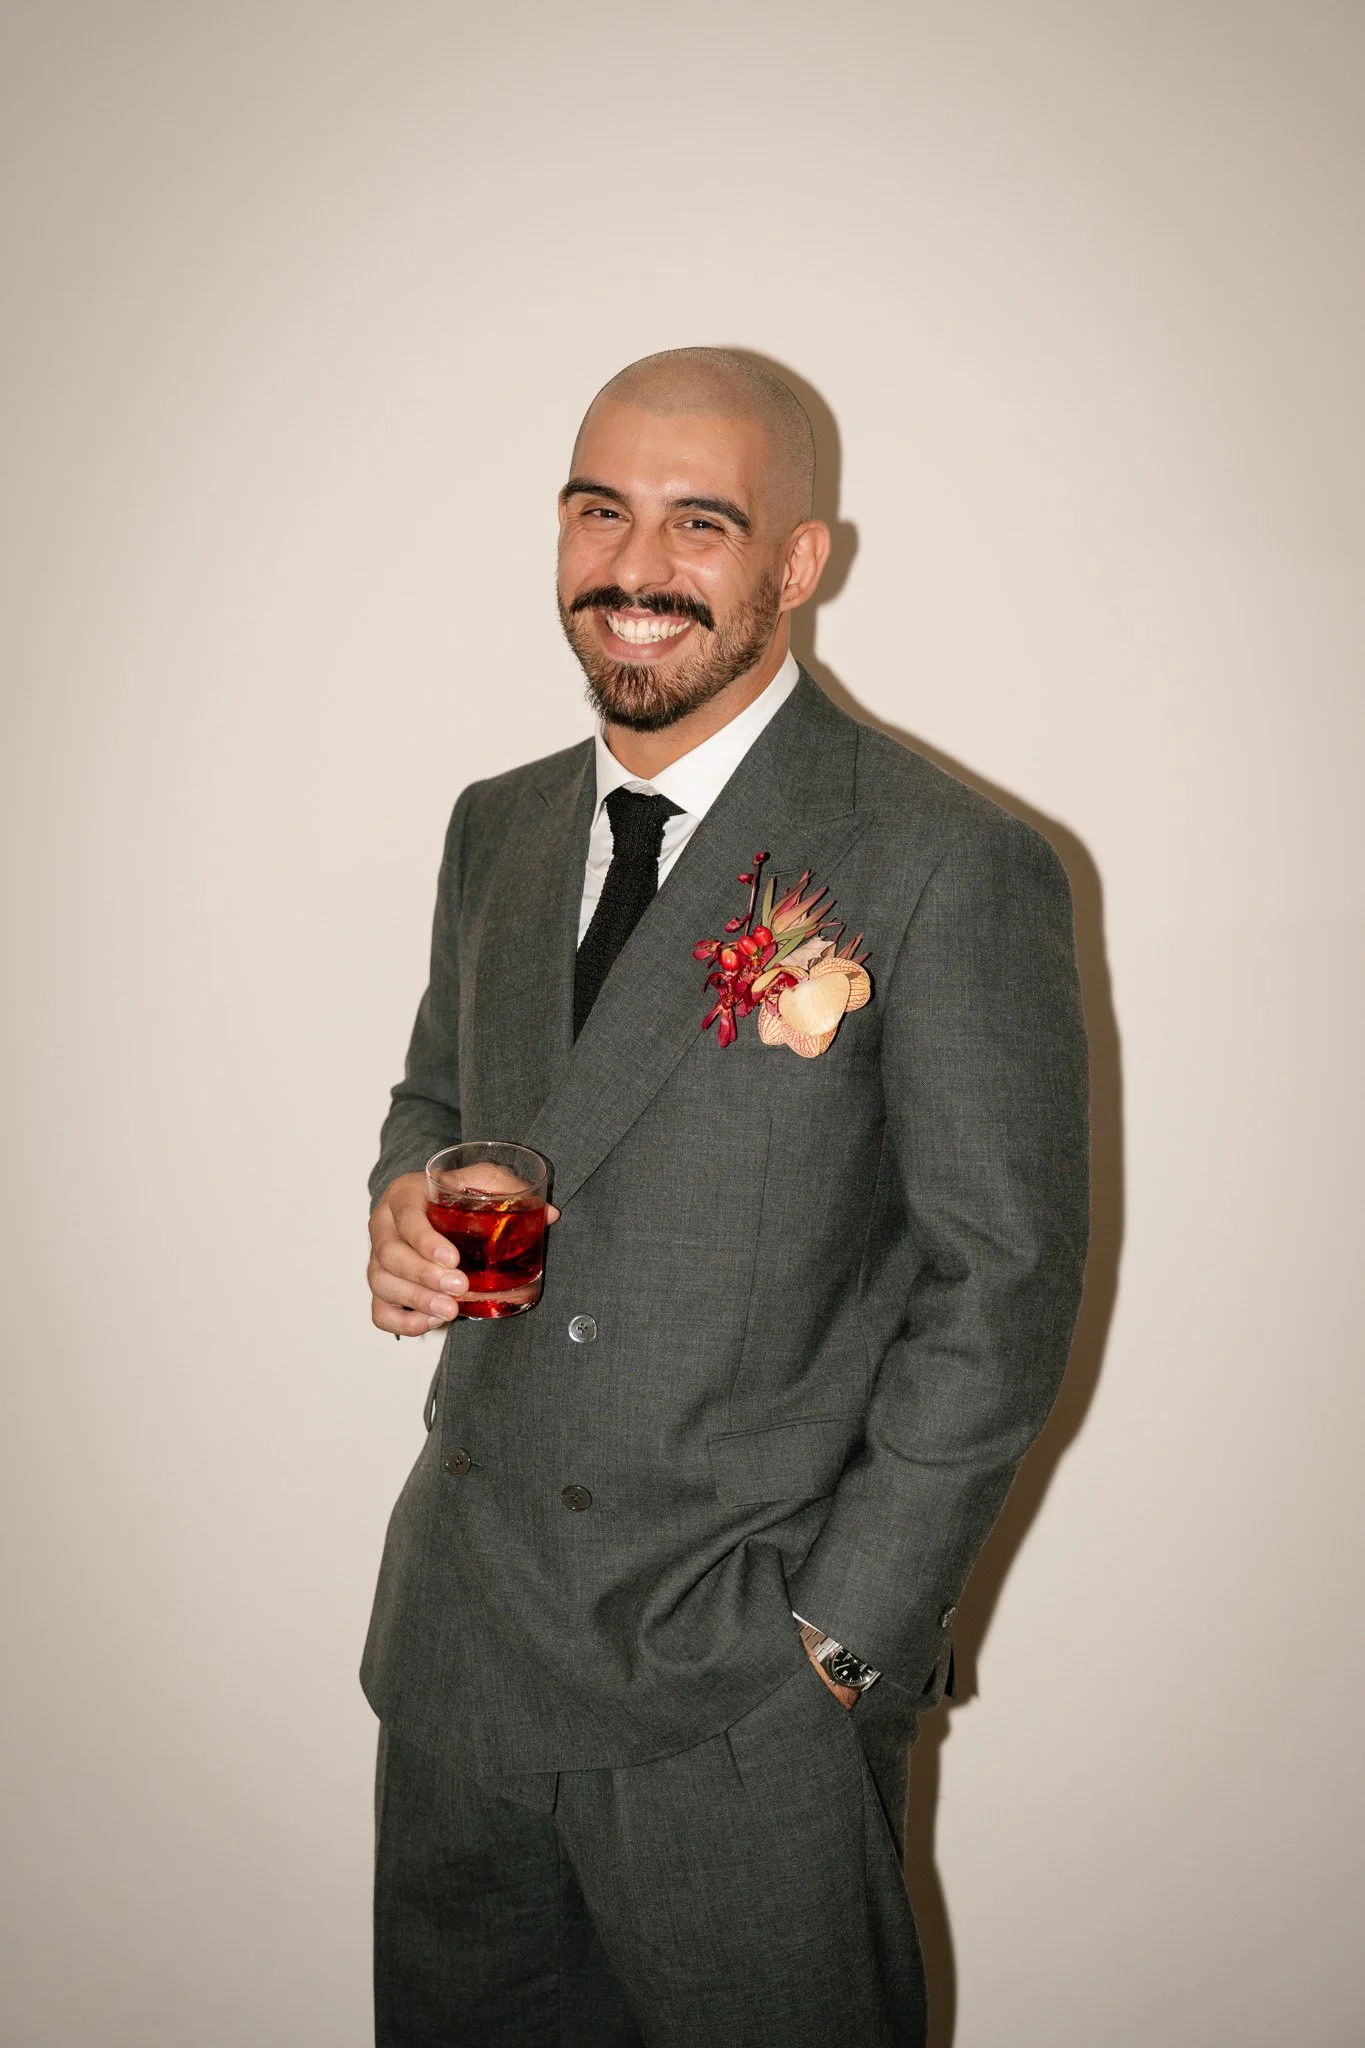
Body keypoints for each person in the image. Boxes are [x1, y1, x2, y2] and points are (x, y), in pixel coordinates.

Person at [362, 347, 1090, 2046]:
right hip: (460, 1654)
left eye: (701, 523)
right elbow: (439, 1098)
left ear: (798, 561)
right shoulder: (497, 829)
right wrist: (406, 1195)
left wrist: (839, 1642)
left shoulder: (942, 857)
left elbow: (1002, 1287)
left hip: (736, 1687)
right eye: (598, 512)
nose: (636, 567)